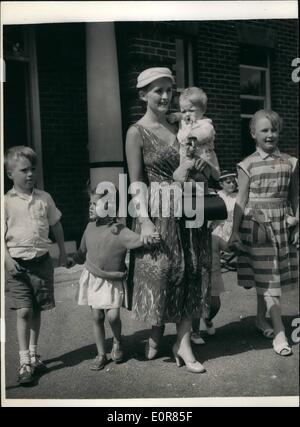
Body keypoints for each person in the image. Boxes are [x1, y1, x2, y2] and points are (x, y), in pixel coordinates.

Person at [125, 67, 212, 373]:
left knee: (192, 270)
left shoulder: (184, 125)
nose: (164, 96)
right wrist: (145, 220)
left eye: (168, 90)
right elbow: (136, 182)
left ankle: (184, 344)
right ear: (143, 95)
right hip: (160, 213)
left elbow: (204, 160)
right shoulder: (136, 132)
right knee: (167, 272)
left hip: (189, 210)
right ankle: (157, 333)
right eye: (157, 90)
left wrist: (201, 166)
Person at [229, 110, 298, 356]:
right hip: (257, 227)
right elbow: (241, 198)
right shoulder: (247, 164)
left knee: (270, 276)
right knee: (269, 278)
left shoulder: (291, 162)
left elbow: (294, 196)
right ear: (253, 134)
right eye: (265, 130)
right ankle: (279, 332)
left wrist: (297, 222)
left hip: (281, 225)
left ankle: (260, 319)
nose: (270, 135)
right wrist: (234, 232)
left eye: (274, 130)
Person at [4, 146, 69, 385]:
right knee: (24, 311)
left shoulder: (44, 198)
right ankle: (23, 361)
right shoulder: (6, 202)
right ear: (10, 174)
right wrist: (7, 260)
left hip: (41, 262)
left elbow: (57, 225)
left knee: (37, 308)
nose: (30, 174)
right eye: (24, 170)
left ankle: (33, 354)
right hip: (17, 265)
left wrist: (62, 252)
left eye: (33, 169)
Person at [70, 186, 153, 370]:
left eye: (95, 203)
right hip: (93, 277)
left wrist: (150, 237)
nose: (90, 207)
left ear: (110, 207)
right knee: (97, 316)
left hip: (112, 281)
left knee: (113, 316)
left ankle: (117, 341)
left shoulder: (120, 230)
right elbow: (82, 251)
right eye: (89, 203)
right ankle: (101, 354)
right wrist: (72, 261)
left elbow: (139, 240)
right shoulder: (90, 227)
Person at [191, 170, 238, 344]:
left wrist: (236, 244)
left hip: (214, 274)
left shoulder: (214, 238)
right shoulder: (194, 240)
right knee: (197, 305)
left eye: (207, 223)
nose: (205, 226)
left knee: (215, 304)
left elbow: (228, 248)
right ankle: (195, 333)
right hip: (199, 273)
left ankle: (208, 319)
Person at [170, 86, 220, 185]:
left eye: (191, 111)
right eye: (184, 111)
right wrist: (174, 117)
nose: (187, 114)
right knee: (187, 181)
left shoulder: (205, 124)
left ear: (203, 110)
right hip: (188, 157)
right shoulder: (184, 121)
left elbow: (204, 134)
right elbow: (179, 116)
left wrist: (191, 137)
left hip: (203, 158)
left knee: (198, 183)